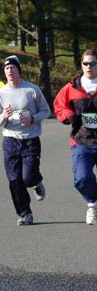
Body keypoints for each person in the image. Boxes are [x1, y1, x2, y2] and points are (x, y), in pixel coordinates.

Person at [0, 55, 51, 226]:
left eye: (12, 68)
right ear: (4, 72)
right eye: (6, 68)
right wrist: (3, 116)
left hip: (30, 140)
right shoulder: (0, 94)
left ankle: (36, 181)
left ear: (19, 70)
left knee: (27, 177)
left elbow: (46, 111)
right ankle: (25, 213)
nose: (10, 71)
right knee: (14, 180)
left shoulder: (31, 90)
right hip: (10, 141)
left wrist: (32, 118)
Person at [54, 49, 97, 225]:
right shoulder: (72, 87)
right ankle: (92, 204)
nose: (89, 67)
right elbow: (59, 106)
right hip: (81, 141)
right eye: (86, 63)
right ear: (81, 65)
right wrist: (69, 116)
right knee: (81, 179)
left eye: (93, 63)